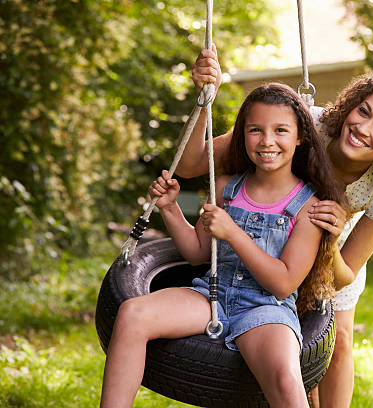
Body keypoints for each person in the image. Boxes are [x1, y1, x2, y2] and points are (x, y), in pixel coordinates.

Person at [178, 46, 373, 407]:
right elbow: (189, 165)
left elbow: (344, 275)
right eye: (364, 111)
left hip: (330, 256)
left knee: (337, 343)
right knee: (298, 351)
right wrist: (203, 98)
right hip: (266, 239)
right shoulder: (306, 126)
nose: (362, 127)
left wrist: (333, 239)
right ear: (352, 104)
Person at [99, 83, 346, 408]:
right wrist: (170, 209)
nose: (267, 141)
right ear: (242, 135)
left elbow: (283, 283)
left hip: (266, 308)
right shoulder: (226, 187)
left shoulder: (308, 207)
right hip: (212, 296)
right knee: (133, 313)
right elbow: (198, 252)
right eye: (255, 130)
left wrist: (233, 233)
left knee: (286, 378)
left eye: (280, 130)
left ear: (299, 137)